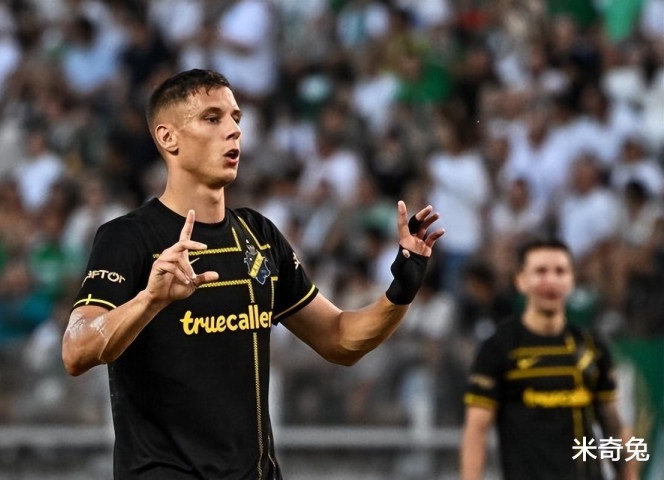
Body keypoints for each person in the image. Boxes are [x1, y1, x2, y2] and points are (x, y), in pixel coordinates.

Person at [61, 69, 445, 480]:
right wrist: (149, 300)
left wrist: (401, 291)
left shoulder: (258, 236)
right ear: (168, 138)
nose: (233, 131)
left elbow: (340, 339)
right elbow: (76, 351)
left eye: (236, 118)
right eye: (212, 118)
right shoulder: (128, 237)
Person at [460, 238, 635, 480]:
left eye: (560, 271)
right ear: (521, 281)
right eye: (540, 271)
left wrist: (629, 475)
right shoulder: (499, 348)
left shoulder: (592, 347)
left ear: (571, 280)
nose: (551, 281)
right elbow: (476, 430)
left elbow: (612, 426)